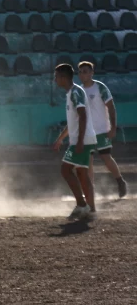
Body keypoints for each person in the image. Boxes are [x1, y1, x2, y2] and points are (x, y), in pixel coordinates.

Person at [52, 64, 98, 221]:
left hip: (82, 140)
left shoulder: (75, 92)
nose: (55, 79)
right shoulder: (73, 92)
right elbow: (74, 121)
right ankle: (90, 210)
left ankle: (81, 205)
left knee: (65, 170)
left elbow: (83, 116)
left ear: (64, 77)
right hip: (84, 139)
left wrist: (79, 142)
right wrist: (61, 138)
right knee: (82, 174)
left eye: (56, 76)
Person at [76, 61, 128, 198]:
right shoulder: (79, 91)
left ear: (92, 73)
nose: (82, 74)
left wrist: (112, 127)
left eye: (85, 71)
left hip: (102, 130)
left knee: (106, 157)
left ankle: (120, 181)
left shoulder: (100, 87)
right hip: (88, 132)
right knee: (88, 161)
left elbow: (111, 107)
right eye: (80, 72)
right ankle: (90, 190)